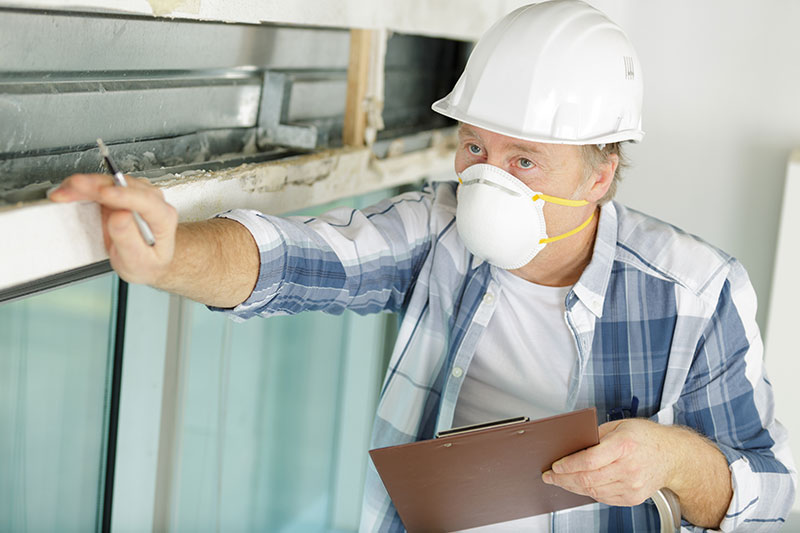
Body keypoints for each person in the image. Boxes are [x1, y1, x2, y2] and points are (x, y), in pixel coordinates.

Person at [50, 0, 795, 530]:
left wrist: (671, 457)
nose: (487, 179)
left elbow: (769, 495)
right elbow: (296, 261)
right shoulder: (438, 229)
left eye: (525, 159)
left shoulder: (698, 293)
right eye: (475, 147)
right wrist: (172, 252)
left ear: (600, 174)